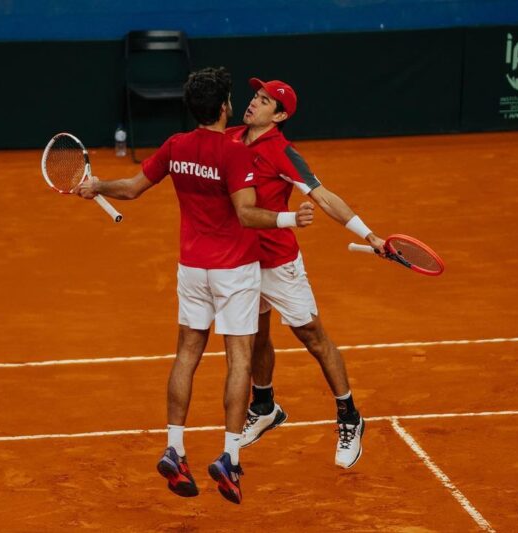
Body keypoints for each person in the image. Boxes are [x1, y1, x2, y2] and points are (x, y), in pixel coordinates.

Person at [75, 67, 314, 503]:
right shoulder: (235, 153)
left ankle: (175, 448)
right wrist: (289, 218)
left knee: (187, 354)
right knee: (239, 358)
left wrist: (97, 186)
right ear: (223, 107)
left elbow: (131, 188)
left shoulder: (176, 146)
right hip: (234, 269)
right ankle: (230, 457)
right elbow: (247, 214)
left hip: (192, 268)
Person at [226, 78, 386, 469]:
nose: (254, 103)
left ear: (279, 116)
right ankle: (265, 407)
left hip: (278, 262)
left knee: (313, 337)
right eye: (255, 96)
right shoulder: (229, 138)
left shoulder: (282, 152)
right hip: (242, 260)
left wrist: (370, 235)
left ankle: (350, 416)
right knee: (256, 335)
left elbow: (323, 197)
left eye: (265, 101)